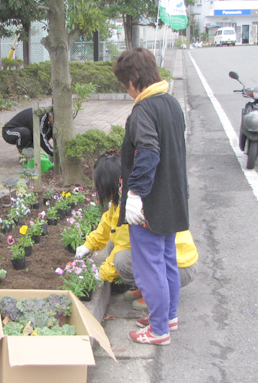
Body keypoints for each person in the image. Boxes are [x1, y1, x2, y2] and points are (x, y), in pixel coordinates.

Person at [112, 48, 189, 345]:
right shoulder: (171, 103)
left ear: (135, 79)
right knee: (167, 259)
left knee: (149, 266)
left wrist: (135, 195)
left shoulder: (144, 109)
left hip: (150, 205)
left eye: (125, 84)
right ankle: (168, 316)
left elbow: (147, 153)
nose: (126, 91)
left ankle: (158, 330)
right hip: (173, 198)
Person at [75, 153, 198, 315]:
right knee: (113, 245)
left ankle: (155, 295)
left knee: (121, 260)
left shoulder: (133, 206)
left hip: (180, 266)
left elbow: (125, 244)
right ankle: (147, 286)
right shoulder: (121, 197)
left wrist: (101, 274)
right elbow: (108, 223)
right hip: (166, 259)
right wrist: (88, 245)